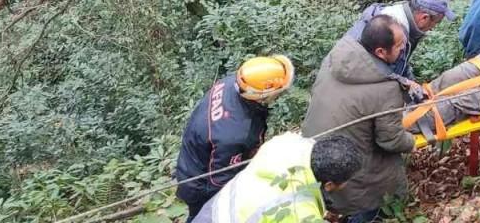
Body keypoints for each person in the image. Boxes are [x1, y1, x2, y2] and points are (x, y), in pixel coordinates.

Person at [302, 15, 415, 223]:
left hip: (313, 155)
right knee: (377, 190)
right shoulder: (385, 89)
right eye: (399, 46)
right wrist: (413, 142)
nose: (403, 50)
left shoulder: (335, 59)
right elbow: (391, 140)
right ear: (381, 52)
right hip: (348, 172)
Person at [174, 55, 294, 222]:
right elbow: (220, 181)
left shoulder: (231, 83)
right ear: (261, 94)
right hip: (200, 185)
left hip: (193, 161)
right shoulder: (237, 134)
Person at [191, 134, 363, 223]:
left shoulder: (286, 143)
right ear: (330, 185)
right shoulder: (299, 211)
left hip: (212, 212)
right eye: (347, 181)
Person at [345, 0, 457, 97]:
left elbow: (400, 63)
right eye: (436, 23)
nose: (434, 28)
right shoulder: (392, 32)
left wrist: (414, 84)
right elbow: (369, 69)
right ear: (424, 18)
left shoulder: (403, 18)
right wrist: (405, 83)